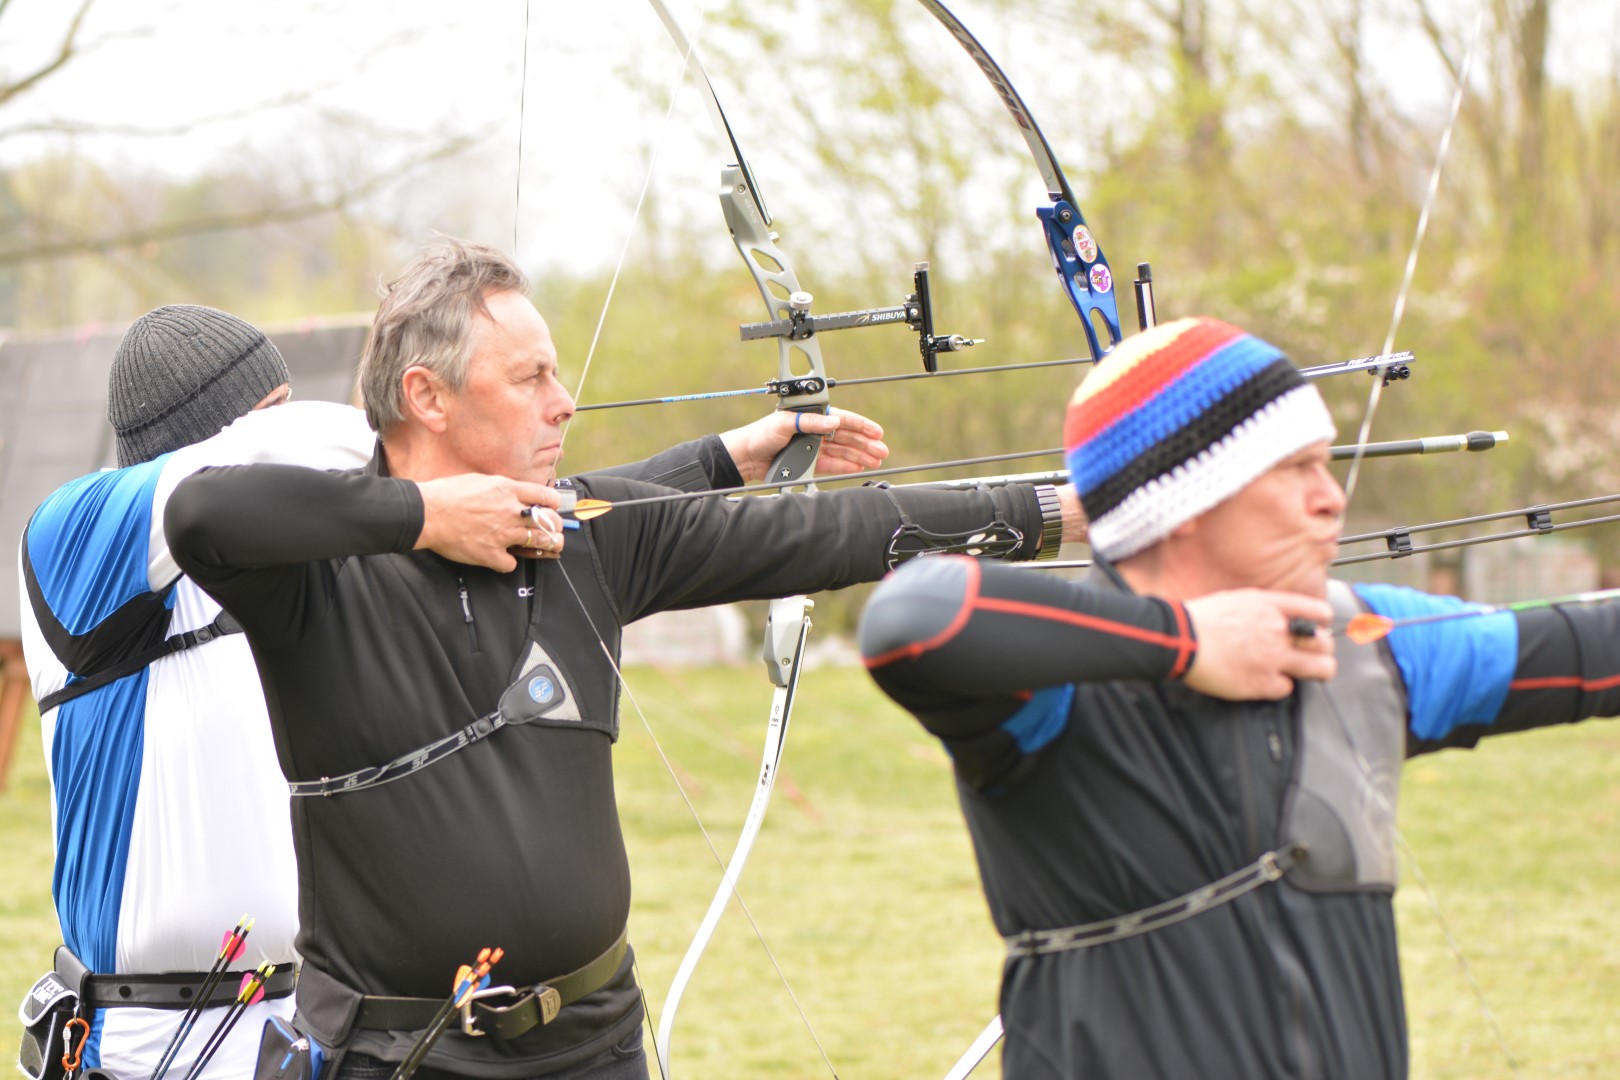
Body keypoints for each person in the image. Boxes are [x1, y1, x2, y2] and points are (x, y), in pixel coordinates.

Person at [153, 235, 1237, 1080]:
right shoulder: (320, 578)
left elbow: (832, 531)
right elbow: (203, 512)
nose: (564, 400)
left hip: (594, 1040)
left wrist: (1061, 510)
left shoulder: (580, 536)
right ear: (427, 397)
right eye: (529, 378)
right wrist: (425, 516)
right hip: (402, 1054)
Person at [17, 302, 888, 1080]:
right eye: (271, 409)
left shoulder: (301, 558)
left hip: (313, 1025)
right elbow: (245, 482)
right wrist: (422, 425)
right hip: (146, 1042)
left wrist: (716, 462)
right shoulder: (81, 539)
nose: (289, 429)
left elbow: (535, 525)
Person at [858, 315, 1620, 1079]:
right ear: (1185, 499)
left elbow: (1594, 644)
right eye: (1296, 469)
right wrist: (1187, 641)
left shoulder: (1364, 641)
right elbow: (916, 616)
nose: (1331, 500)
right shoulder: (1053, 684)